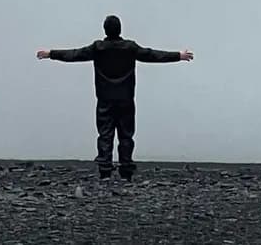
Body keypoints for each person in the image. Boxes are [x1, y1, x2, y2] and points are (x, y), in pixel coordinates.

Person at [36, 13, 193, 181]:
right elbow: (153, 55)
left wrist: (50, 53)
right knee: (126, 135)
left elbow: (74, 54)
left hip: (105, 99)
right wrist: (178, 55)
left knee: (105, 134)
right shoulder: (130, 47)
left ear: (105, 30)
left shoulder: (98, 48)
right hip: (126, 99)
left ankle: (105, 172)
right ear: (120, 29)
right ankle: (126, 171)